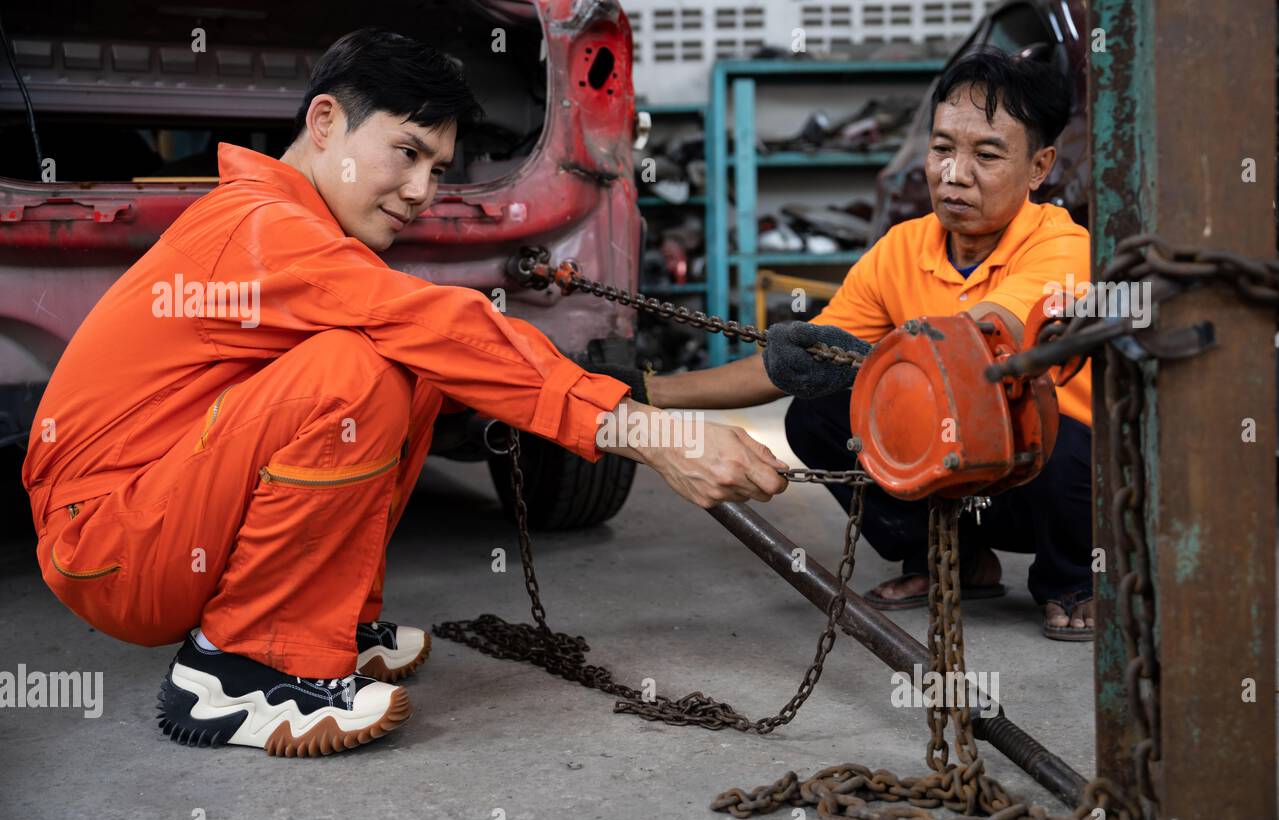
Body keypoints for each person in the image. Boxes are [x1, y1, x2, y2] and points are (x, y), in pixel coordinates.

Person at [22, 28, 789, 757]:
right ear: (325, 122)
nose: (423, 190)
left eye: (440, 169)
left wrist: (616, 400)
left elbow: (447, 347)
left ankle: (321, 622)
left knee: (414, 367)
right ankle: (238, 669)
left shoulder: (289, 226)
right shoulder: (257, 228)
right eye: (407, 152)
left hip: (151, 517)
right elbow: (432, 320)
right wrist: (650, 436)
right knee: (356, 371)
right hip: (111, 548)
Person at [644, 48, 1095, 641]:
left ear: (1038, 168)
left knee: (1054, 426)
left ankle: (1073, 580)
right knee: (818, 410)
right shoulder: (901, 249)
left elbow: (977, 341)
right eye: (941, 149)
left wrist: (872, 362)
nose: (954, 174)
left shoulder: (1062, 246)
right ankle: (951, 558)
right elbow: (806, 362)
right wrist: (645, 393)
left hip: (1050, 484)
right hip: (960, 465)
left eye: (986, 155)